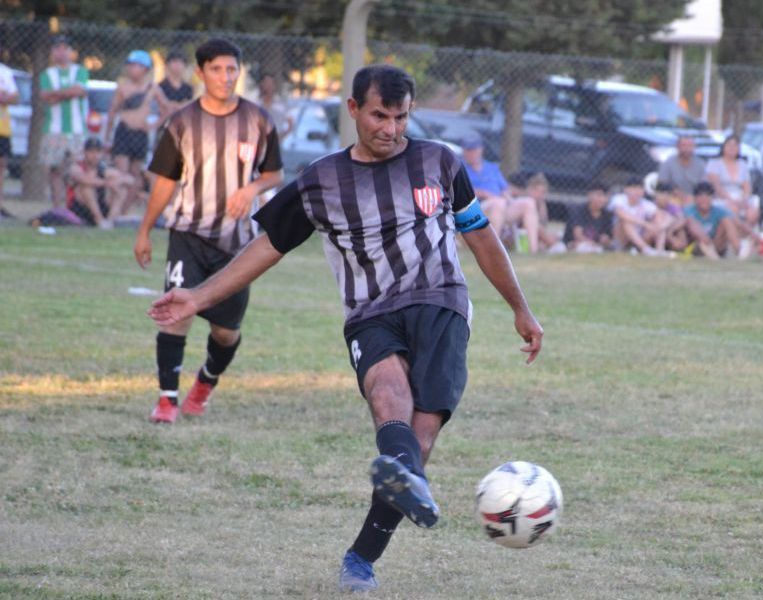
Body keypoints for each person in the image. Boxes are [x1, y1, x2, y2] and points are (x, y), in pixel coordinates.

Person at [147, 64, 543, 593]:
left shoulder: (439, 163)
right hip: (371, 312)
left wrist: (520, 307)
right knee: (387, 394)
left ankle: (363, 553)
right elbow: (265, 249)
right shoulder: (320, 180)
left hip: (442, 305)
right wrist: (197, 295)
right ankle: (407, 485)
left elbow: (480, 236)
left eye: (401, 117)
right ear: (353, 109)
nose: (391, 129)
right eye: (380, 115)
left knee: (417, 439)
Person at [133, 38, 284, 424]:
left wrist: (251, 189)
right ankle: (167, 399)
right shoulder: (181, 121)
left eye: (231, 69)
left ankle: (205, 383)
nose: (225, 77)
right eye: (216, 69)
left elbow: (274, 174)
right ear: (201, 73)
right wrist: (145, 230)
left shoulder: (259, 120)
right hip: (188, 234)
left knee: (225, 333)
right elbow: (165, 181)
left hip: (236, 245)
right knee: (175, 312)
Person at [105, 50, 168, 217]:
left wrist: (154, 125)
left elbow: (166, 109)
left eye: (137, 66)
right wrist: (107, 137)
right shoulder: (123, 87)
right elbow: (112, 112)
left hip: (140, 135)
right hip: (124, 133)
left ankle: (123, 212)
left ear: (145, 69)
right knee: (122, 174)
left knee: (136, 177)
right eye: (131, 66)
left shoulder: (152, 88)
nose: (133, 70)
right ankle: (114, 211)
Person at [461, 134, 540, 253]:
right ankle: (494, 251)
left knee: (528, 203)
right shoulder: (459, 168)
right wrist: (484, 194)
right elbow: (460, 193)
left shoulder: (491, 167)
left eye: (474, 149)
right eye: (468, 150)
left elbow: (504, 188)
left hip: (500, 206)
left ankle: (533, 250)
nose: (472, 153)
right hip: (476, 210)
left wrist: (508, 197)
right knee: (498, 203)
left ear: (481, 150)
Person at [39, 35, 89, 208]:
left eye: (64, 48)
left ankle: (73, 206)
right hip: (53, 130)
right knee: (55, 169)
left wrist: (57, 93)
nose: (61, 52)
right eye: (57, 48)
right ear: (53, 52)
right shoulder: (47, 74)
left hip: (76, 131)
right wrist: (68, 92)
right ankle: (57, 208)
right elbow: (46, 96)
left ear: (70, 51)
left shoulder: (80, 71)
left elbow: (79, 91)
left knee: (76, 170)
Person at [705, 135, 760, 256]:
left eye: (735, 145)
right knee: (731, 209)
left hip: (739, 197)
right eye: (729, 145)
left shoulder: (743, 164)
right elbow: (716, 186)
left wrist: (745, 199)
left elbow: (746, 185)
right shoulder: (714, 163)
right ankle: (738, 244)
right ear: (723, 147)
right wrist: (730, 200)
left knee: (752, 212)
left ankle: (745, 240)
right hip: (721, 198)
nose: (732, 148)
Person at [67, 137, 134, 228]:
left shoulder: (103, 168)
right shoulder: (77, 166)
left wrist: (117, 181)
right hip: (79, 208)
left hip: (101, 205)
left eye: (98, 152)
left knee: (121, 190)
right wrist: (107, 183)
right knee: (87, 188)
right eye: (91, 152)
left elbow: (130, 179)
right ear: (84, 152)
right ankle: (99, 220)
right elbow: (83, 179)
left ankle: (110, 222)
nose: (95, 155)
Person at [611, 176, 670, 256]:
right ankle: (646, 249)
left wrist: (660, 226)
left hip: (639, 237)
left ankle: (659, 251)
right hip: (621, 237)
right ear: (626, 189)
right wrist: (646, 224)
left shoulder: (646, 203)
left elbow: (666, 216)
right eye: (634, 188)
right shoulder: (619, 199)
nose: (637, 191)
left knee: (658, 220)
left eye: (640, 188)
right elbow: (621, 214)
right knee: (626, 221)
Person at [684, 181, 740, 259]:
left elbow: (738, 223)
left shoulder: (719, 211)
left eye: (708, 195)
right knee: (689, 221)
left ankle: (739, 251)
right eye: (700, 196)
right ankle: (711, 253)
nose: (704, 199)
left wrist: (753, 235)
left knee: (727, 220)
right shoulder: (689, 211)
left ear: (712, 198)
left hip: (716, 245)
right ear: (695, 198)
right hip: (696, 245)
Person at [564, 183, 614, 252]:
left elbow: (607, 236)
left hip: (596, 245)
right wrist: (591, 244)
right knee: (582, 246)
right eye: (599, 195)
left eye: (605, 196)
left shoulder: (607, 214)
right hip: (576, 243)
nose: (602, 199)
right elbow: (578, 235)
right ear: (589, 195)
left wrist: (605, 240)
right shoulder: (578, 210)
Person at [658, 135, 706, 205]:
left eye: (690, 146)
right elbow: (662, 182)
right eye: (684, 145)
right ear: (677, 147)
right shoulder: (668, 162)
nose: (687, 149)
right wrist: (676, 192)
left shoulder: (701, 164)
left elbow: (704, 186)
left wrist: (692, 197)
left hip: (695, 197)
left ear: (694, 147)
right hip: (673, 196)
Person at [0, 52, 19, 220]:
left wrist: (4, 97)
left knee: (1, 165)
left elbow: (14, 96)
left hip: (2, 126)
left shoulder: (5, 72)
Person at [651, 182, 688, 252]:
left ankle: (681, 248)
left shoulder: (673, 207)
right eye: (661, 193)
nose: (664, 197)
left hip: (668, 231)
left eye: (668, 194)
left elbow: (682, 219)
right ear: (656, 194)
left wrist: (670, 231)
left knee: (681, 229)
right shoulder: (651, 205)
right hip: (653, 232)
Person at [257, 73, 295, 139]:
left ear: (274, 86)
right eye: (266, 83)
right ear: (262, 85)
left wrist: (282, 136)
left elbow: (291, 123)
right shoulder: (256, 104)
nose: (269, 86)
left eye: (271, 83)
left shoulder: (281, 104)